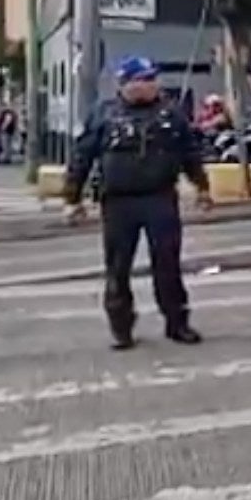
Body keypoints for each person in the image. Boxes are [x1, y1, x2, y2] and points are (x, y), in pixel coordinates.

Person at [64, 56, 213, 351]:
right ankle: (121, 327)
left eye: (152, 79)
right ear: (125, 83)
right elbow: (82, 156)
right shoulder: (104, 114)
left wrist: (202, 188)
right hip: (119, 202)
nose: (149, 85)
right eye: (142, 79)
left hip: (160, 198)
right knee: (118, 267)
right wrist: (72, 198)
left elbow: (190, 153)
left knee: (167, 263)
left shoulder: (171, 113)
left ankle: (177, 323)